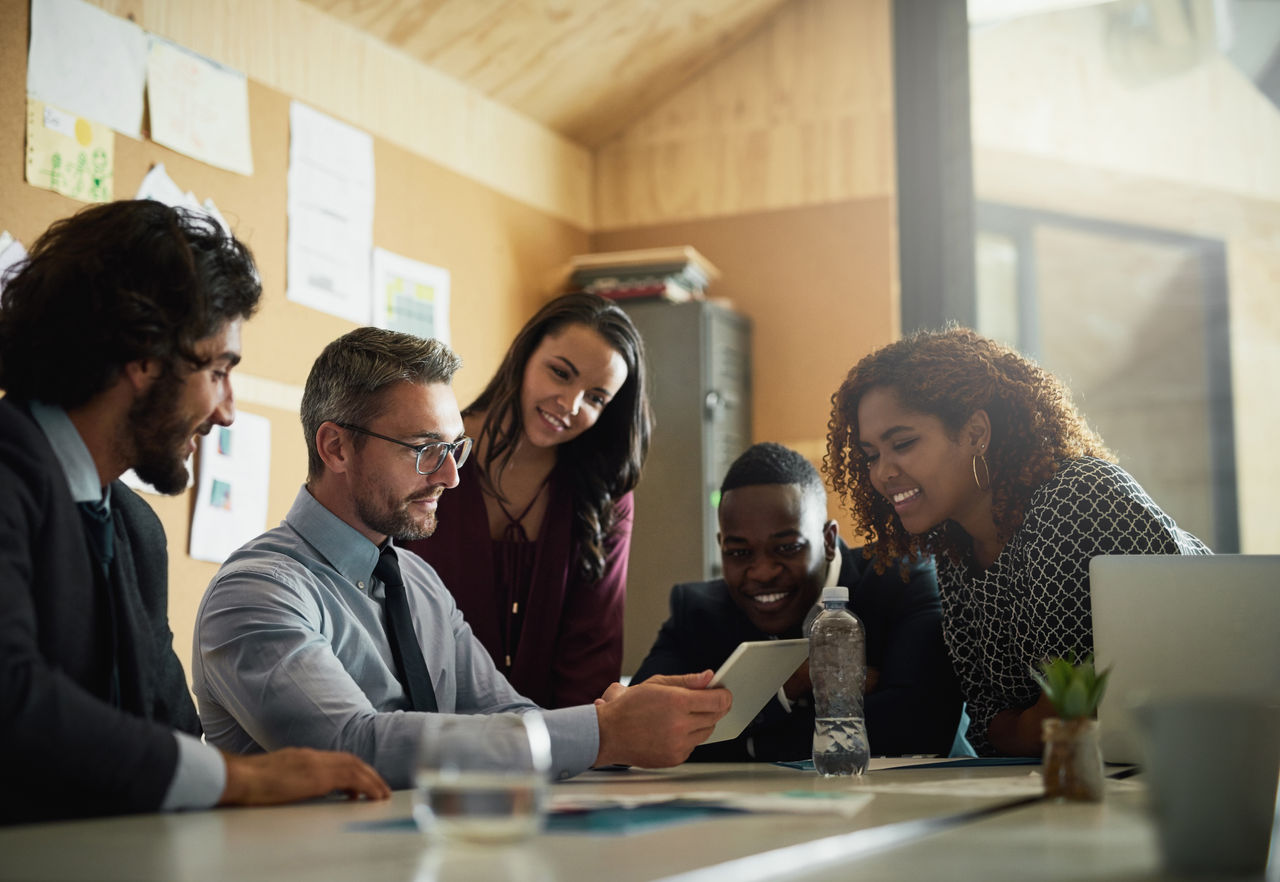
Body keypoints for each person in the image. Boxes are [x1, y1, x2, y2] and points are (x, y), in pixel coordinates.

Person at [191, 327, 729, 789]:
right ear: (335, 448)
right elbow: (350, 745)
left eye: (456, 449)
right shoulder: (257, 590)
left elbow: (507, 716)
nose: (450, 476)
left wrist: (609, 719)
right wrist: (602, 733)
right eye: (426, 449)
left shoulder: (420, 582)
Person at [0, 201, 389, 825]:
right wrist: (244, 777)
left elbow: (167, 728)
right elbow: (14, 702)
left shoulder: (131, 527)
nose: (227, 410)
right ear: (142, 356)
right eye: (217, 370)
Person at [825, 326, 1210, 757]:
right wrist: (1019, 727)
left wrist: (1022, 726)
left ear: (975, 433)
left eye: (903, 443)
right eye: (871, 455)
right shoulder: (956, 548)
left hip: (1204, 762)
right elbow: (988, 727)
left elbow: (1070, 722)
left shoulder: (1076, 500)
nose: (881, 473)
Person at [633, 443, 962, 761]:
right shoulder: (698, 612)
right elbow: (637, 730)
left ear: (828, 541)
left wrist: (739, 740)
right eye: (739, 552)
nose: (762, 572)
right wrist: (791, 685)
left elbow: (921, 728)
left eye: (787, 547)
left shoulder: (902, 579)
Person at [402, 293, 650, 708]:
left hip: (553, 751)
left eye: (595, 398)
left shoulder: (606, 496)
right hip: (423, 738)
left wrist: (568, 751)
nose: (569, 405)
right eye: (560, 373)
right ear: (524, 354)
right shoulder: (428, 456)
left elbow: (594, 651)